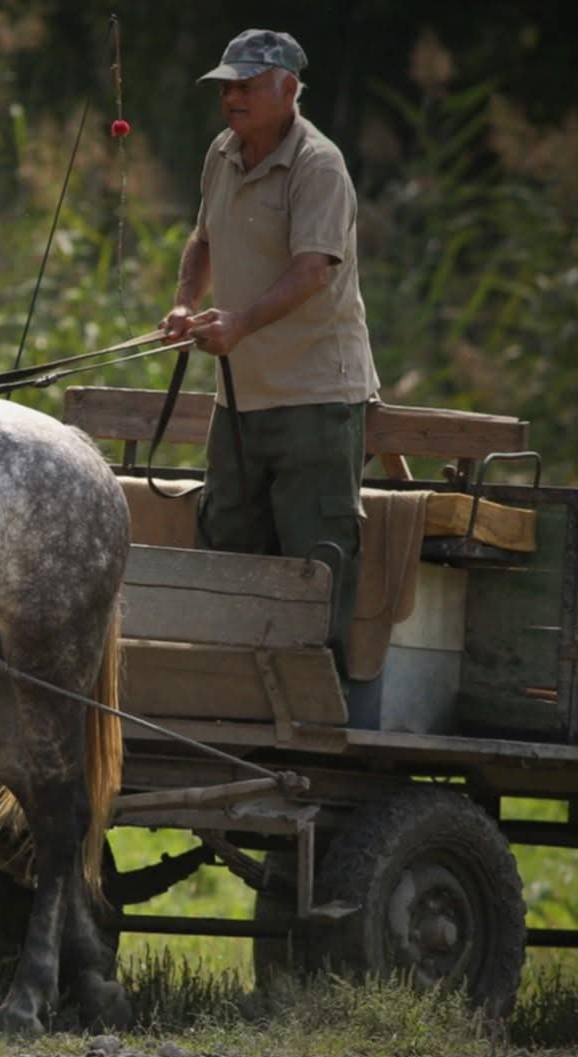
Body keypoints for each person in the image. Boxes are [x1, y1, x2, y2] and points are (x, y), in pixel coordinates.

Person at [159, 29, 378, 674]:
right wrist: (184, 303)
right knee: (227, 549)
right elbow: (203, 240)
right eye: (227, 86)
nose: (233, 97)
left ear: (289, 90)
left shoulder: (319, 165)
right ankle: (223, 695)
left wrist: (240, 324)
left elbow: (312, 273)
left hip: (315, 399)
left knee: (313, 563)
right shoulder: (222, 152)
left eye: (248, 86)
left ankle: (314, 704)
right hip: (240, 398)